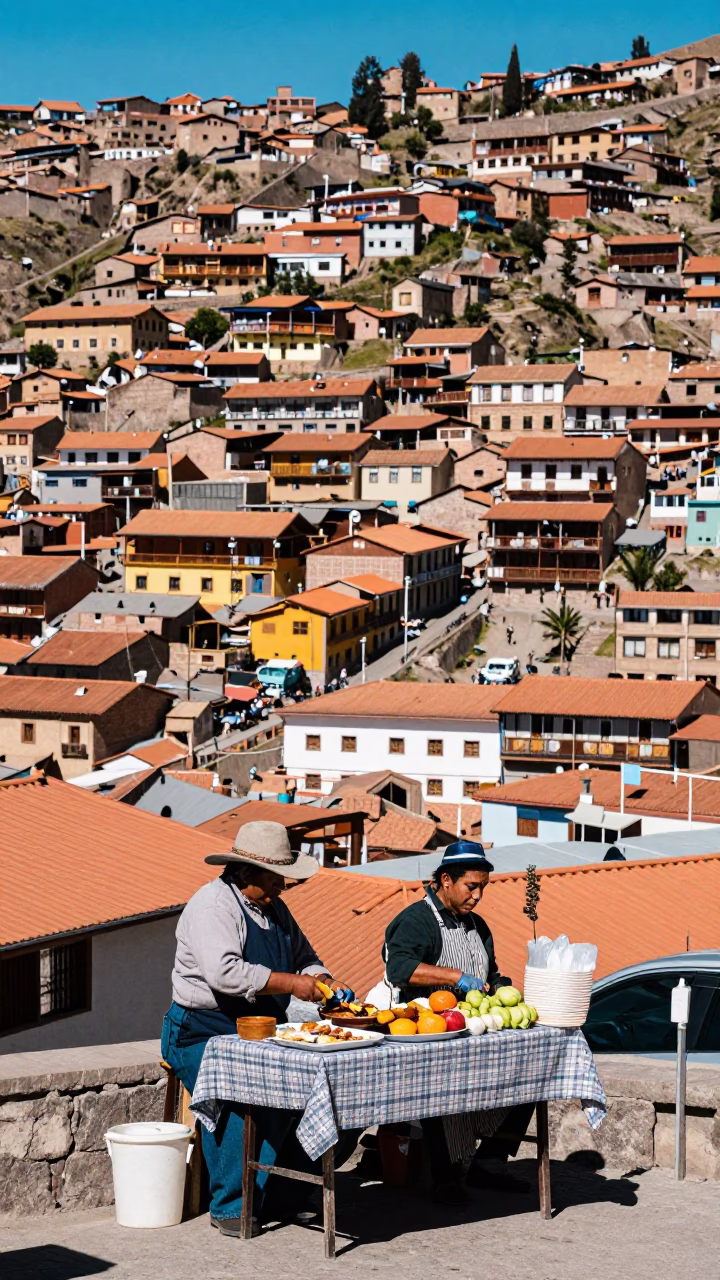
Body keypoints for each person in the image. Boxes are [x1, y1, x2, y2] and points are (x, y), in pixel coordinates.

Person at [161, 821, 355, 1237]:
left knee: (299, 1095)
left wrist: (325, 979)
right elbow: (226, 974)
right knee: (233, 1102)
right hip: (203, 1032)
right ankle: (232, 1204)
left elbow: (304, 956)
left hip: (263, 1030)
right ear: (246, 873)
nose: (283, 887)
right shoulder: (213, 906)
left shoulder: (273, 908)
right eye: (275, 878)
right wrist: (293, 984)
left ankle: (282, 1192)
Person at [384, 843, 533, 1203]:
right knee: (445, 1096)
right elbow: (399, 969)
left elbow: (490, 974)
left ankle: (489, 1163)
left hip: (474, 1028)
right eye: (471, 887)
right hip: (431, 1033)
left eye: (483, 887)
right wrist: (454, 977)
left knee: (528, 1078)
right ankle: (446, 1176)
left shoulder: (476, 926)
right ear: (446, 880)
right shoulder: (416, 920)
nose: (478, 896)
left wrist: (502, 990)